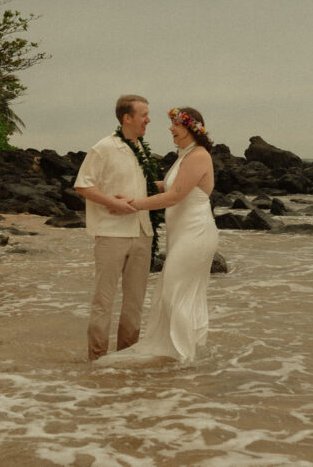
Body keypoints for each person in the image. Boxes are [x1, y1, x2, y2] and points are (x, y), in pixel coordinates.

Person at [100, 107, 219, 365]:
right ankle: (181, 351)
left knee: (177, 289)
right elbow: (169, 185)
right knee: (173, 289)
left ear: (191, 128)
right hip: (182, 234)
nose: (170, 129)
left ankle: (184, 354)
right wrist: (131, 187)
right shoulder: (184, 155)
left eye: (175, 124)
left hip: (196, 233)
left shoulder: (198, 156)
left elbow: (175, 196)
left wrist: (134, 203)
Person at [74, 95, 157, 361]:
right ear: (127, 118)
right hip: (111, 234)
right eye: (144, 115)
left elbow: (148, 188)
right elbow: (83, 185)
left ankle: (126, 358)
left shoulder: (142, 149)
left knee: (135, 303)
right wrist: (112, 202)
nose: (148, 120)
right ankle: (97, 360)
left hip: (143, 233)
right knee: (103, 301)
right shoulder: (103, 148)